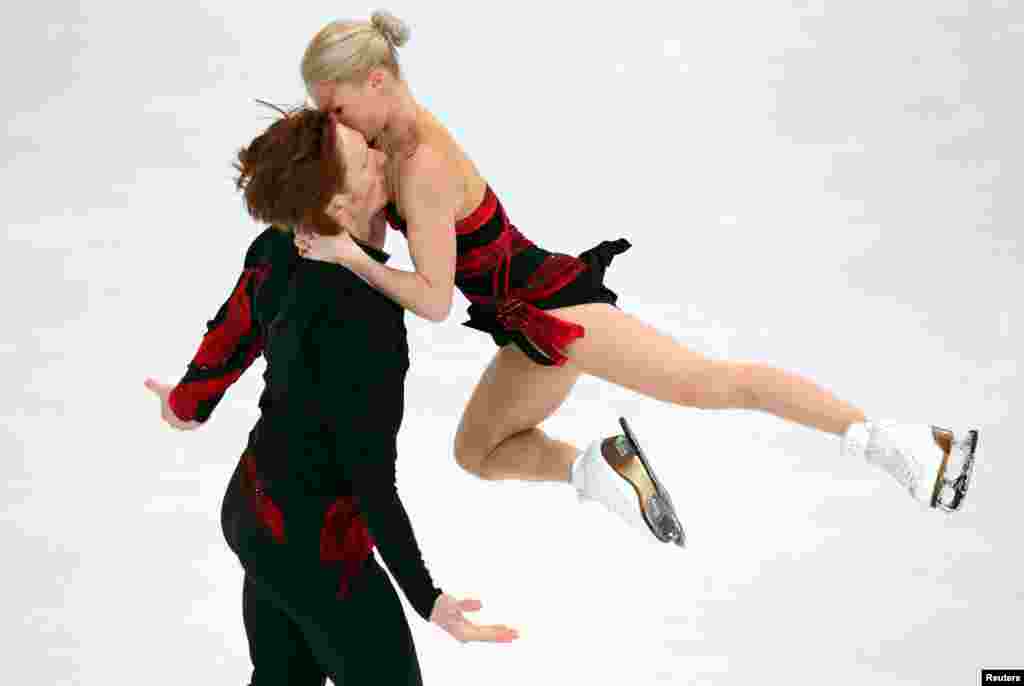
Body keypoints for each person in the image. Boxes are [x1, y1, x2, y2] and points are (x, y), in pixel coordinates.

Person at [292, 10, 980, 541]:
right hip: (525, 322)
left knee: (714, 383)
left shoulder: (419, 168)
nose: (332, 121)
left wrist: (350, 257)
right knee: (477, 450)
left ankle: (909, 445)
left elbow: (436, 302)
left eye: (336, 107)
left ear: (375, 82)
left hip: (559, 311)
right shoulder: (386, 136)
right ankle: (603, 468)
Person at [144, 103, 518, 686]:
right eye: (365, 157)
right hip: (315, 551)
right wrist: (429, 599)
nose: (379, 152)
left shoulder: (278, 244)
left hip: (252, 515)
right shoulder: (365, 321)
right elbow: (370, 481)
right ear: (339, 207)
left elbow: (235, 329)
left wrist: (187, 404)